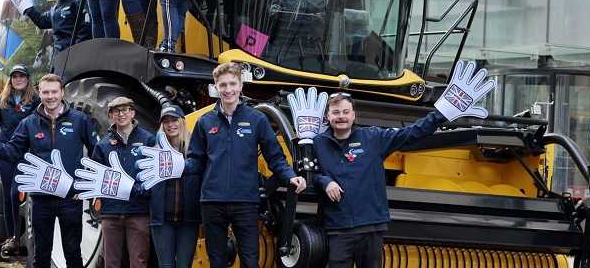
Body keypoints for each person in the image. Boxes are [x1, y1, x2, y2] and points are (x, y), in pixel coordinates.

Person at [186, 62, 306, 267]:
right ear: (216, 87)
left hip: (245, 202)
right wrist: (175, 168)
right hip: (212, 202)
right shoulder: (205, 122)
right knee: (217, 260)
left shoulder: (257, 119)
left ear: (241, 85)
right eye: (223, 85)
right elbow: (194, 161)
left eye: (233, 84)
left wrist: (289, 176)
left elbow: (275, 157)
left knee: (250, 260)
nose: (228, 89)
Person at [312, 93, 447, 268]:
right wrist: (325, 182)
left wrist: (441, 113)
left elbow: (412, 133)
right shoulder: (318, 143)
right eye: (336, 112)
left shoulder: (373, 138)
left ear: (353, 115)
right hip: (338, 228)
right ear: (327, 116)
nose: (341, 117)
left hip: (371, 227)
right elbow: (308, 174)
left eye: (346, 112)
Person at [0, 74, 98, 268]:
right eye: (46, 92)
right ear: (40, 93)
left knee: (73, 253)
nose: (50, 96)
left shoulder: (80, 120)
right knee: (41, 256)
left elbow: (97, 152)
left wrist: (89, 187)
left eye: (54, 92)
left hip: (71, 199)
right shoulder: (28, 123)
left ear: (62, 93)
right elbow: (10, 152)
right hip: (41, 200)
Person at [90, 96, 156, 268]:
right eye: (116, 111)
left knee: (139, 262)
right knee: (111, 263)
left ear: (132, 112)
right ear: (111, 115)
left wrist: (139, 190)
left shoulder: (148, 140)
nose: (121, 114)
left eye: (125, 109)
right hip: (111, 213)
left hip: (139, 211)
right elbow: (96, 178)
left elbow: (154, 176)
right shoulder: (103, 145)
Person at [0, 64, 39, 256]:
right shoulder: (2, 100)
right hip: (6, 153)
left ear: (27, 79)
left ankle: (27, 235)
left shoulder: (35, 101)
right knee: (8, 195)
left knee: (19, 192)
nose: (18, 79)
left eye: (22, 76)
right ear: (11, 79)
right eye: (15, 76)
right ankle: (12, 237)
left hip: (27, 153)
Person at [149, 105, 200, 268]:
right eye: (166, 121)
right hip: (162, 220)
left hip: (188, 220)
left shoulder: (195, 149)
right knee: (166, 265)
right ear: (162, 126)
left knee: (184, 265)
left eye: (174, 120)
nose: (171, 124)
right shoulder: (155, 151)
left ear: (182, 122)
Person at [24, 0, 92, 54]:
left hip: (73, 57)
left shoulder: (79, 2)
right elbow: (42, 22)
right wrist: (28, 8)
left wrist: (76, 54)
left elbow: (85, 31)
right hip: (59, 57)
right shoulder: (55, 8)